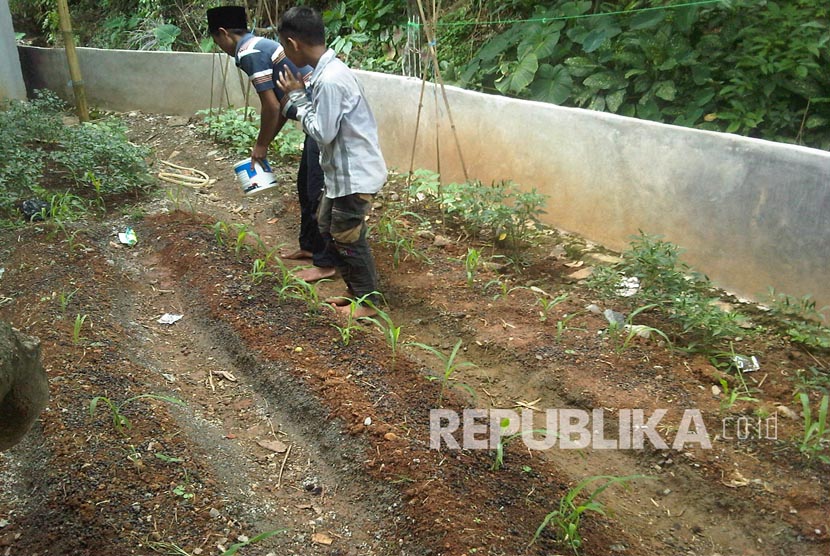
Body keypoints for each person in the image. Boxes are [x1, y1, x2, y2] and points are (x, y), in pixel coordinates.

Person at [206, 5, 337, 282]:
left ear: (223, 33)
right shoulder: (258, 44)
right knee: (306, 184)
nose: (219, 46)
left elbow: (271, 107)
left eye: (217, 41)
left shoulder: (248, 52)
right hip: (311, 115)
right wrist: (263, 142)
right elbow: (278, 106)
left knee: (316, 191)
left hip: (320, 117)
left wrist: (262, 145)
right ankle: (309, 246)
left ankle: (326, 262)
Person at [276, 6, 387, 318]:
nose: (285, 53)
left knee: (347, 234)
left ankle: (368, 302)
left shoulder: (330, 80)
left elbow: (323, 133)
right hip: (342, 174)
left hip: (356, 175)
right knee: (327, 224)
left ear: (293, 43)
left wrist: (297, 101)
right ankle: (355, 290)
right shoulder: (326, 74)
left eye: (284, 47)